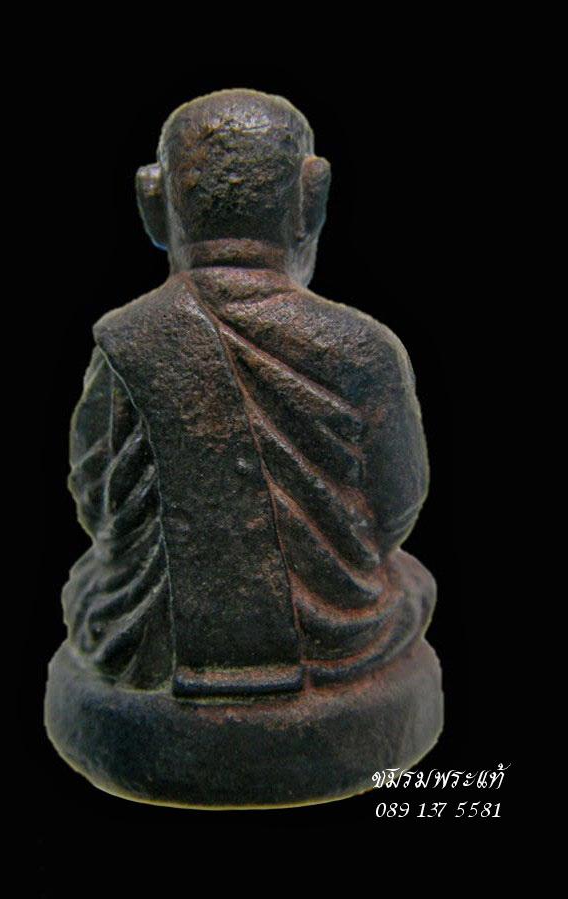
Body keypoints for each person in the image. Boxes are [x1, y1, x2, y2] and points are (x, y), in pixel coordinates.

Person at [62, 88, 435, 698]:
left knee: (88, 587)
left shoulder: (125, 341)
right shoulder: (361, 347)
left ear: (153, 204)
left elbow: (96, 503)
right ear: (310, 199)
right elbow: (394, 510)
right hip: (335, 633)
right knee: (409, 583)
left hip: (146, 637)